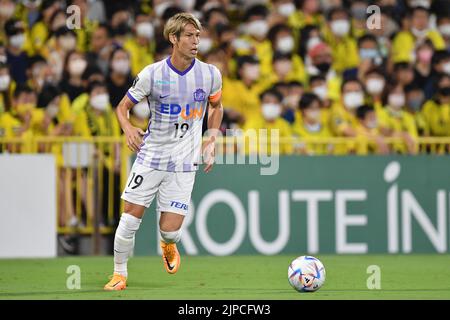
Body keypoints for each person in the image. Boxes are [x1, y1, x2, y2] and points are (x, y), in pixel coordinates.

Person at [104, 13, 223, 291]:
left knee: (170, 232)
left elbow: (216, 107)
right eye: (190, 36)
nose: (196, 42)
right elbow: (122, 107)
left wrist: (212, 137)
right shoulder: (152, 74)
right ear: (173, 38)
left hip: (184, 161)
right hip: (151, 156)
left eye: (198, 36)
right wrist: (128, 128)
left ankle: (168, 245)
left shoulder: (209, 74)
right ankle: (119, 274)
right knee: (129, 218)